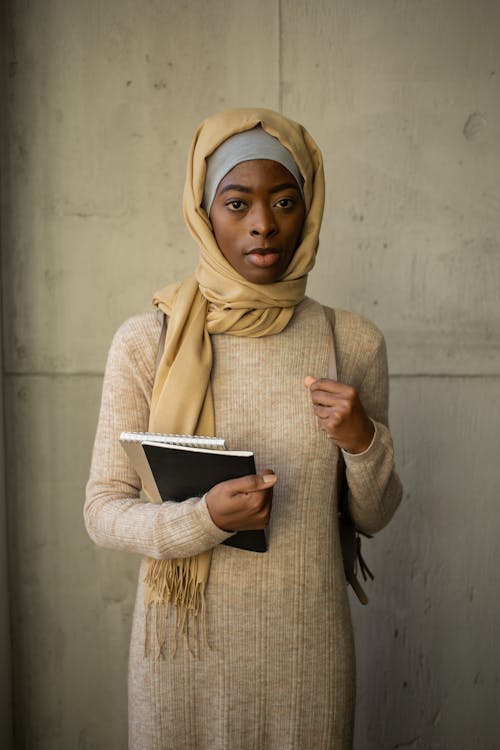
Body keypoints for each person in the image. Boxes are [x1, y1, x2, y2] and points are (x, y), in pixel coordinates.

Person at [85, 107, 402, 750]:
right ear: (205, 214)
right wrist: (205, 518)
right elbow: (102, 511)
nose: (264, 224)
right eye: (237, 203)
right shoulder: (149, 342)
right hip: (180, 661)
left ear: (307, 213)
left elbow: (374, 516)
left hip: (307, 659)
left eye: (285, 201)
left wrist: (362, 440)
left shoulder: (351, 342)